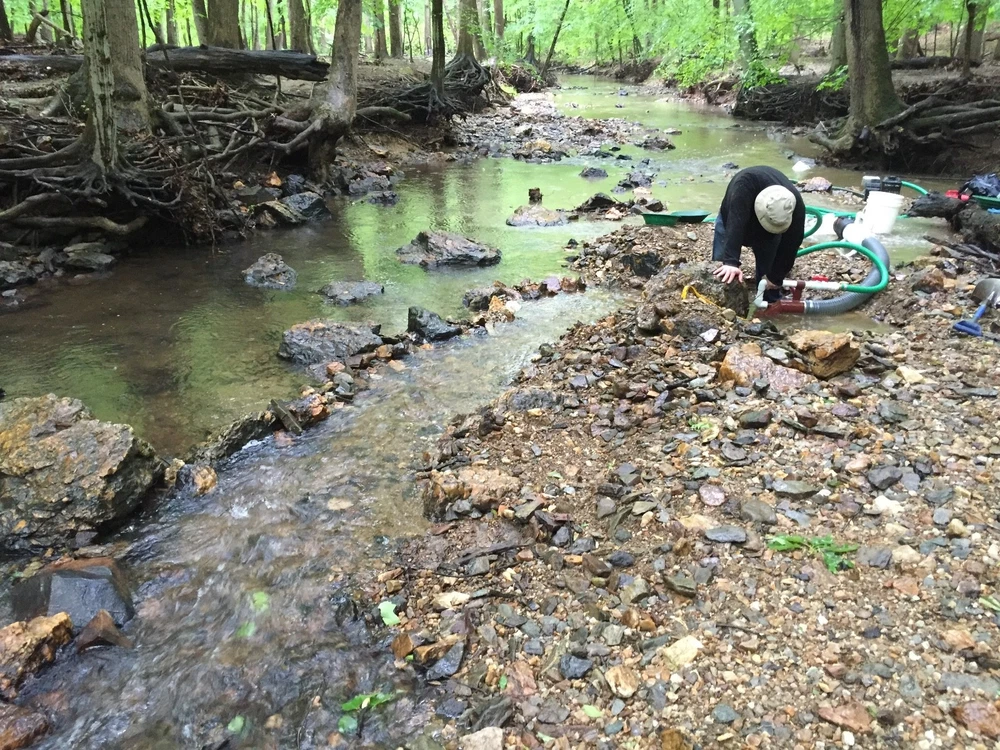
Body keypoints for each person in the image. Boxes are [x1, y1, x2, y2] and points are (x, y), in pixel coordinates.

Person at [712, 166, 805, 302]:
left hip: (768, 234)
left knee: (768, 267)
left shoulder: (794, 204)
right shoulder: (744, 186)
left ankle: (768, 300)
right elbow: (735, 223)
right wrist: (730, 262)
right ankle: (719, 294)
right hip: (732, 217)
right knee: (724, 264)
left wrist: (775, 277)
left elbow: (793, 242)